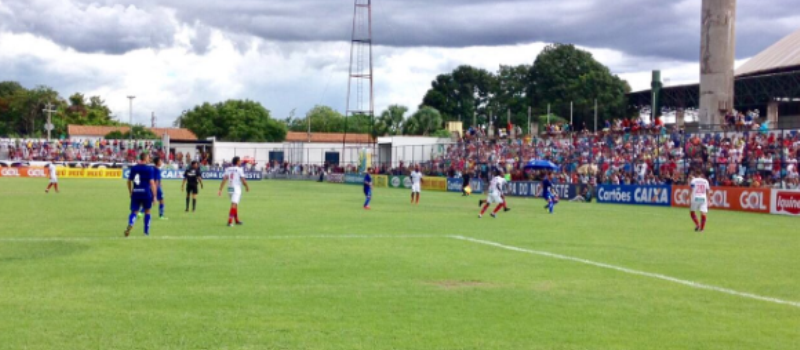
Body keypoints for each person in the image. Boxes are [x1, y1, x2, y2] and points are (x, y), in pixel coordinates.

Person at [125, 153, 157, 237]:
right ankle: (146, 232)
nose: (149, 159)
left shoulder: (134, 168)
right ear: (145, 158)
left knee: (134, 211)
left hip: (136, 192)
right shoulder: (149, 169)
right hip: (146, 192)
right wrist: (154, 196)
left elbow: (128, 181)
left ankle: (131, 223)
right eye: (148, 157)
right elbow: (152, 182)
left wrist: (130, 191)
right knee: (147, 211)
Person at [218, 156, 250, 227]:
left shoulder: (228, 169)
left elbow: (224, 179)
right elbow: (243, 180)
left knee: (234, 203)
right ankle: (229, 222)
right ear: (237, 162)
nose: (240, 162)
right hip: (236, 188)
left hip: (230, 188)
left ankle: (237, 220)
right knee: (234, 204)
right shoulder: (239, 169)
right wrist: (247, 186)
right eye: (240, 161)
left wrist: (220, 189)